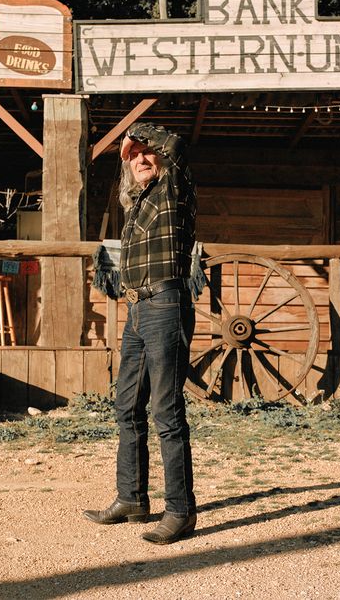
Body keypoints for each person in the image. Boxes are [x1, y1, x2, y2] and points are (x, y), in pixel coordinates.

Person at [83, 122, 198, 545]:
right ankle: (132, 498)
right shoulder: (135, 205)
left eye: (147, 154)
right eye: (133, 157)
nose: (141, 160)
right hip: (136, 309)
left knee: (166, 412)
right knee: (127, 406)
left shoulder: (173, 192)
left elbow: (178, 145)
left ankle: (181, 512)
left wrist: (135, 133)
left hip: (166, 306)